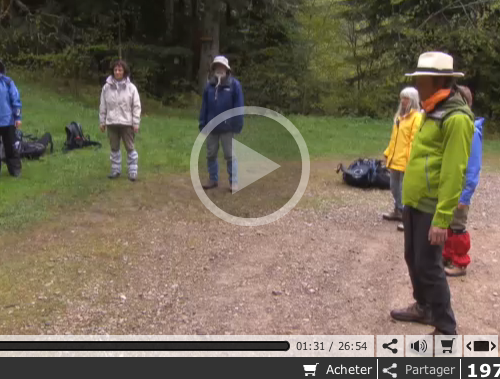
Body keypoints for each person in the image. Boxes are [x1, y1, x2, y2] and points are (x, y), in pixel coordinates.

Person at [391, 52, 475, 335]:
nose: (417, 85)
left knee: (429, 265)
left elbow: (454, 172)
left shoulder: (456, 117)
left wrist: (442, 219)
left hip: (432, 206)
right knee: (413, 258)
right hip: (414, 201)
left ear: (438, 80)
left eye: (421, 79)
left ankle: (445, 328)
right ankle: (424, 306)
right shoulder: (430, 110)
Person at [443, 86, 484, 277]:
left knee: (458, 226)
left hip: (461, 191)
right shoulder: (456, 125)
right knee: (448, 224)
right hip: (450, 187)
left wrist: (465, 195)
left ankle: (460, 263)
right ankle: (447, 256)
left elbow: (473, 168)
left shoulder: (473, 132)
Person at [199, 56, 244, 192]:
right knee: (211, 154)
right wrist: (202, 124)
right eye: (217, 67)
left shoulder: (234, 85)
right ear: (214, 69)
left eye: (222, 67)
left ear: (227, 69)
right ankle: (213, 179)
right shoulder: (209, 86)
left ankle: (233, 182)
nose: (219, 69)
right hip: (211, 127)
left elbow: (239, 106)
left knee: (229, 155)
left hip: (227, 127)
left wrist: (237, 124)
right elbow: (204, 107)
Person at [382, 87, 422, 225]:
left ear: (413, 100)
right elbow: (395, 139)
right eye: (402, 98)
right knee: (394, 186)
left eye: (406, 98)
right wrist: (388, 152)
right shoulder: (400, 118)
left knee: (405, 189)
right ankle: (398, 210)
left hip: (406, 160)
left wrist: (411, 159)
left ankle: (407, 217)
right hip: (395, 159)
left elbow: (413, 140)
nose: (403, 101)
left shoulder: (416, 118)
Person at [99, 59, 141, 181]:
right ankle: (115, 170)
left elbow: (136, 106)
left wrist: (136, 123)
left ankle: (132, 171)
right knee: (114, 148)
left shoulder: (131, 88)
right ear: (113, 71)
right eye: (116, 70)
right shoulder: (106, 88)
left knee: (130, 148)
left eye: (120, 70)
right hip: (111, 122)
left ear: (124, 71)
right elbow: (103, 105)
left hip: (127, 123)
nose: (117, 72)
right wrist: (102, 122)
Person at [0, 60, 22, 177]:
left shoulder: (8, 82)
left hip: (8, 121)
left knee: (11, 148)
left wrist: (17, 117)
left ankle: (15, 171)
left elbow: (16, 100)